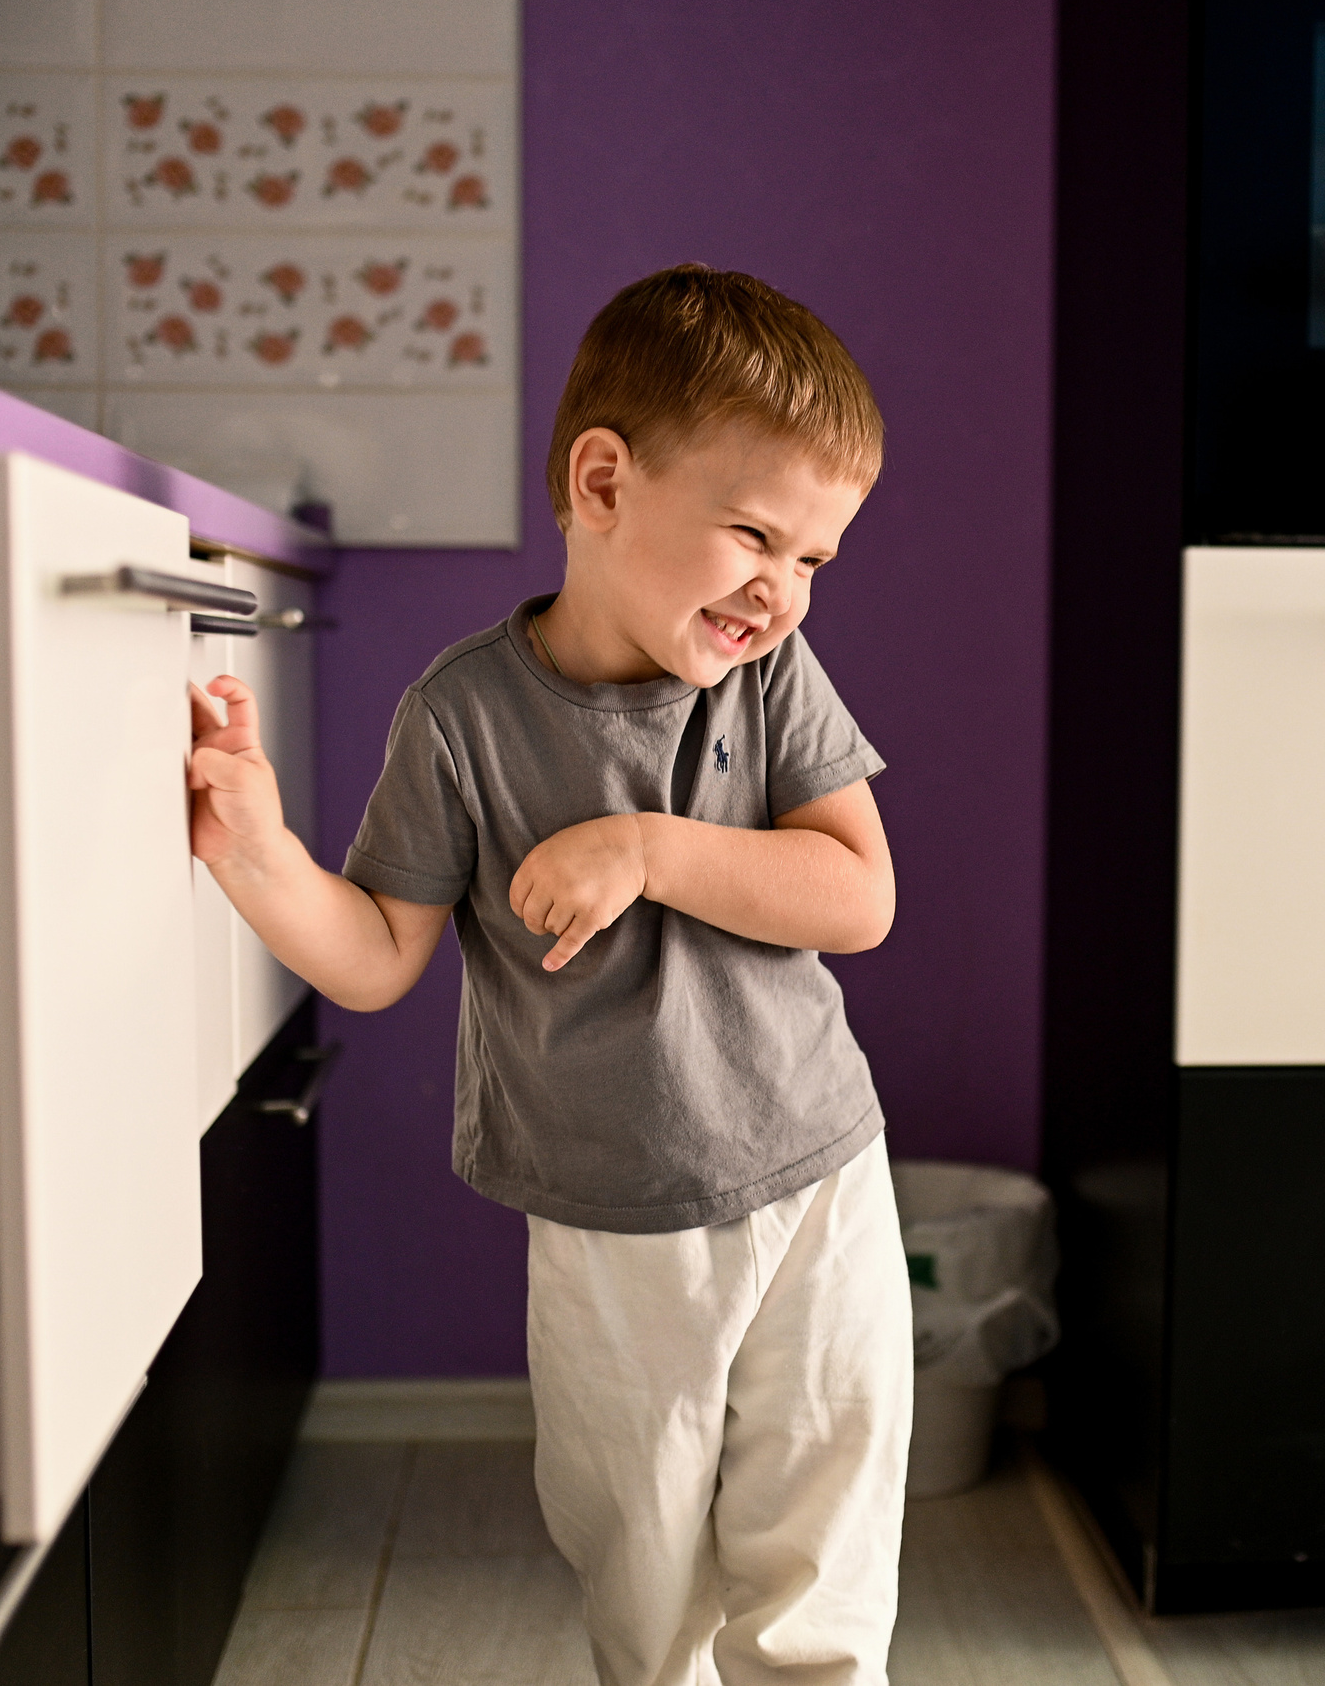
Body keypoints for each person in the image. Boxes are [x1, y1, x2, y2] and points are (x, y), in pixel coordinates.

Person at [186, 264, 910, 1686]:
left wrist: (650, 847)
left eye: (817, 558)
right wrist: (258, 853)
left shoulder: (768, 682)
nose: (784, 591)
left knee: (822, 1542)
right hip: (610, 1210)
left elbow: (858, 894)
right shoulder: (461, 715)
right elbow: (382, 955)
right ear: (601, 484)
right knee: (641, 1562)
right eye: (757, 534)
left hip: (820, 1171)